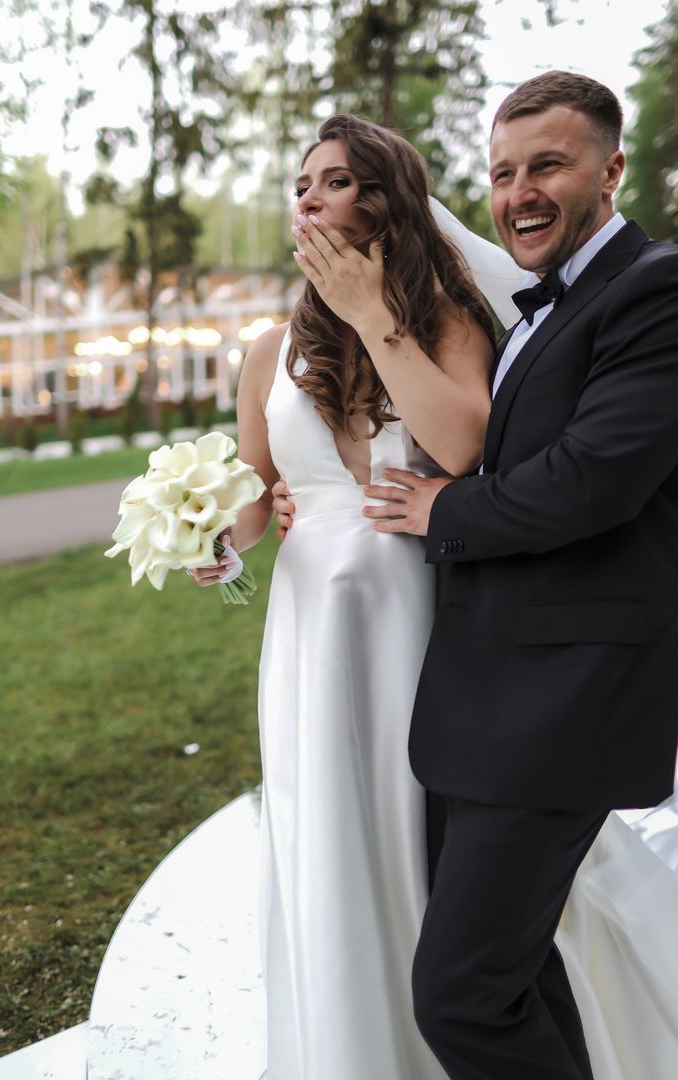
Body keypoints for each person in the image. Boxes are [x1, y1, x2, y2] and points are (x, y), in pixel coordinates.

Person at [278, 72, 677, 1080]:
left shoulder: (656, 288)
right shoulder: (543, 305)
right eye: (503, 173)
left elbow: (590, 481)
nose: (519, 193)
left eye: (548, 166)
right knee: (515, 975)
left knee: (458, 995)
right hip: (488, 692)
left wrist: (441, 510)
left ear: (611, 171)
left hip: (567, 696)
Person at [189, 113, 522, 1078]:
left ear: (383, 202)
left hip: (415, 613)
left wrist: (373, 312)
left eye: (334, 181)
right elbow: (257, 493)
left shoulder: (446, 322)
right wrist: (214, 538)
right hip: (308, 627)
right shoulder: (267, 351)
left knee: (416, 822)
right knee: (324, 822)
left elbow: (462, 446)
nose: (309, 197)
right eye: (302, 183)